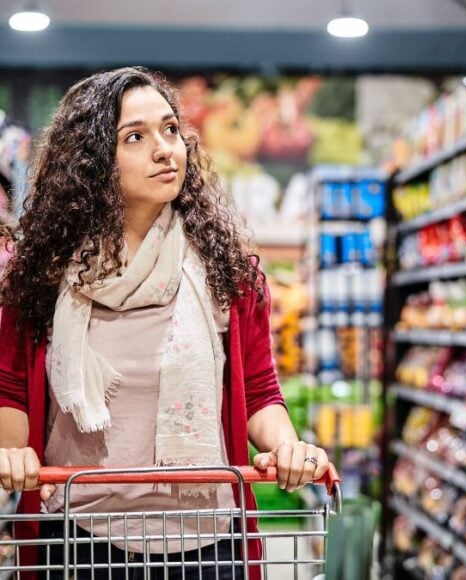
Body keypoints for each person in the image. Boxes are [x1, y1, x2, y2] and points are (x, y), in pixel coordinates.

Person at [0, 66, 329, 579]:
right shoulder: (44, 274)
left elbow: (260, 388)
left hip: (206, 543)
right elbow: (13, 389)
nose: (165, 149)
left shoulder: (227, 270)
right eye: (136, 136)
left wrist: (287, 445)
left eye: (171, 129)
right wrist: (11, 453)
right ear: (91, 162)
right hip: (80, 540)